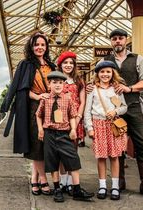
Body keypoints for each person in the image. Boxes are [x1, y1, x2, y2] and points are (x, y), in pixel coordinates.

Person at [86, 29, 143, 200]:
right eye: (114, 39)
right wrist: (90, 87)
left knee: (141, 144)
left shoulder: (137, 59)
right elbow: (96, 80)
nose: (117, 41)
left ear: (126, 40)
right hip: (112, 112)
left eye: (120, 38)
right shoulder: (105, 60)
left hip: (134, 107)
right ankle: (118, 181)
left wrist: (130, 88)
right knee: (117, 147)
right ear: (111, 42)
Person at [0, 31, 56, 196]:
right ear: (31, 47)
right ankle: (43, 180)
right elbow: (22, 89)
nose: (40, 47)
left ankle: (34, 178)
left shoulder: (51, 66)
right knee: (37, 145)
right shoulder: (25, 64)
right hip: (33, 108)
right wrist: (39, 96)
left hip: (51, 109)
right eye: (36, 45)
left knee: (46, 145)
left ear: (46, 47)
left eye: (42, 45)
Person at [36, 71, 94, 202]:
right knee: (52, 162)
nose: (57, 85)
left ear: (64, 84)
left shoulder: (68, 98)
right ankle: (57, 189)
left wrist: (73, 129)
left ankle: (77, 189)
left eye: (60, 83)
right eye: (54, 82)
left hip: (64, 133)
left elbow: (72, 115)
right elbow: (38, 115)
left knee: (73, 160)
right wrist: (40, 129)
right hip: (49, 134)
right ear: (49, 84)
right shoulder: (45, 99)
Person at [84, 61, 128, 200]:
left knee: (114, 156)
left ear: (112, 73)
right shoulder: (93, 90)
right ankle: (102, 185)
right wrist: (89, 128)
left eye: (108, 72)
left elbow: (124, 107)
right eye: (102, 72)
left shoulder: (116, 89)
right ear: (97, 74)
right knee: (101, 157)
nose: (105, 74)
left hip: (113, 125)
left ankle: (115, 186)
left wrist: (115, 111)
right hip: (98, 125)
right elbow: (87, 111)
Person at [56, 51, 86, 195]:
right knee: (61, 153)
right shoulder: (57, 79)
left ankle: (70, 181)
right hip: (60, 122)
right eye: (65, 63)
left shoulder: (79, 81)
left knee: (72, 153)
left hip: (76, 122)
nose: (68, 65)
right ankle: (63, 182)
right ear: (60, 64)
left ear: (74, 65)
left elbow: (82, 101)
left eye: (71, 63)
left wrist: (78, 117)